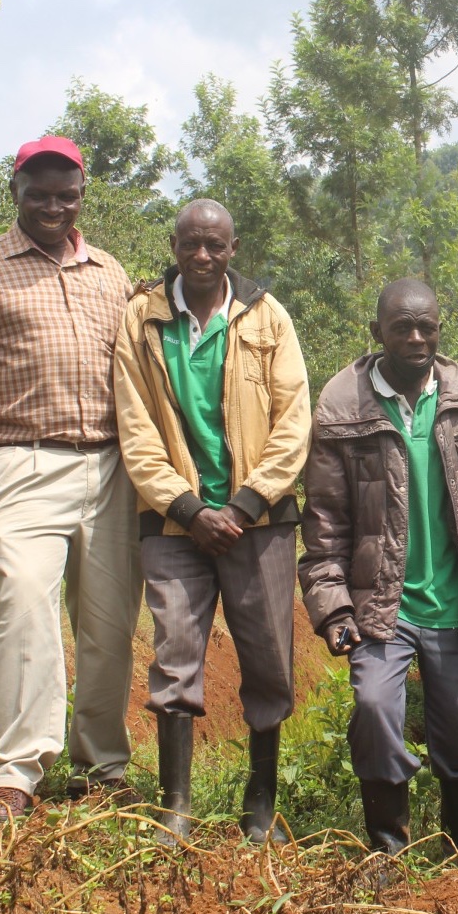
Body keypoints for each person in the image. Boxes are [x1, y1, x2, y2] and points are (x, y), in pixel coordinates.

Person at [0, 135, 142, 820]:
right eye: (39, 192)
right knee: (22, 602)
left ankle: (102, 765)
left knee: (109, 625)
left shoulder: (110, 273)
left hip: (112, 467)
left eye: (66, 193)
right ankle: (17, 772)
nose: (53, 205)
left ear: (82, 195)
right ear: (15, 193)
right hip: (23, 461)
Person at [299, 279, 458, 878]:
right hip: (381, 607)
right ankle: (388, 850)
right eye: (402, 327)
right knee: (374, 710)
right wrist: (333, 608)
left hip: (455, 605)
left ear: (439, 328)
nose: (416, 337)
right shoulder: (342, 404)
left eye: (426, 326)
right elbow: (324, 519)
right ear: (378, 332)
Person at [113, 199, 310, 842]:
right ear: (174, 245)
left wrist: (247, 504)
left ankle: (261, 803)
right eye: (191, 244)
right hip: (174, 525)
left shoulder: (267, 317)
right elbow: (135, 428)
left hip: (261, 523)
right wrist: (190, 508)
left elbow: (293, 421)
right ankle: (176, 806)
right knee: (174, 655)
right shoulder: (141, 319)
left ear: (233, 249)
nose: (203, 256)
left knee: (267, 658)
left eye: (215, 246)